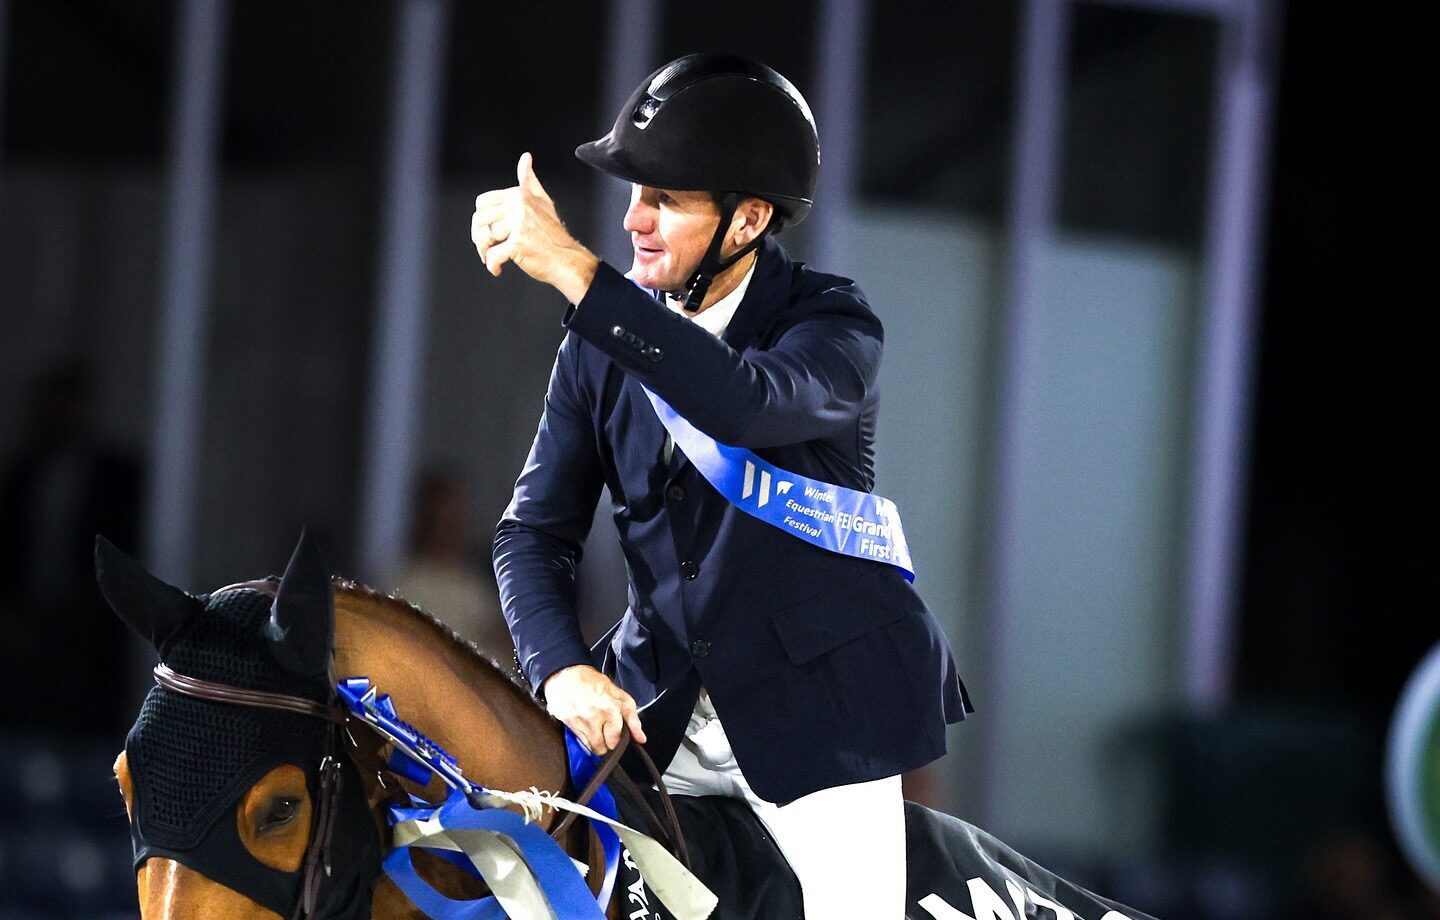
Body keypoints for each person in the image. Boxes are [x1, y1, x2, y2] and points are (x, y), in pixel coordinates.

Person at [479, 54, 970, 917]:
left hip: (821, 719)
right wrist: (559, 670)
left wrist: (573, 270)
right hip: (654, 709)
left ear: (749, 219)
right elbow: (533, 532)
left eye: (664, 200)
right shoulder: (598, 340)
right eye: (636, 195)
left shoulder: (834, 325)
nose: (633, 220)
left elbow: (740, 403)